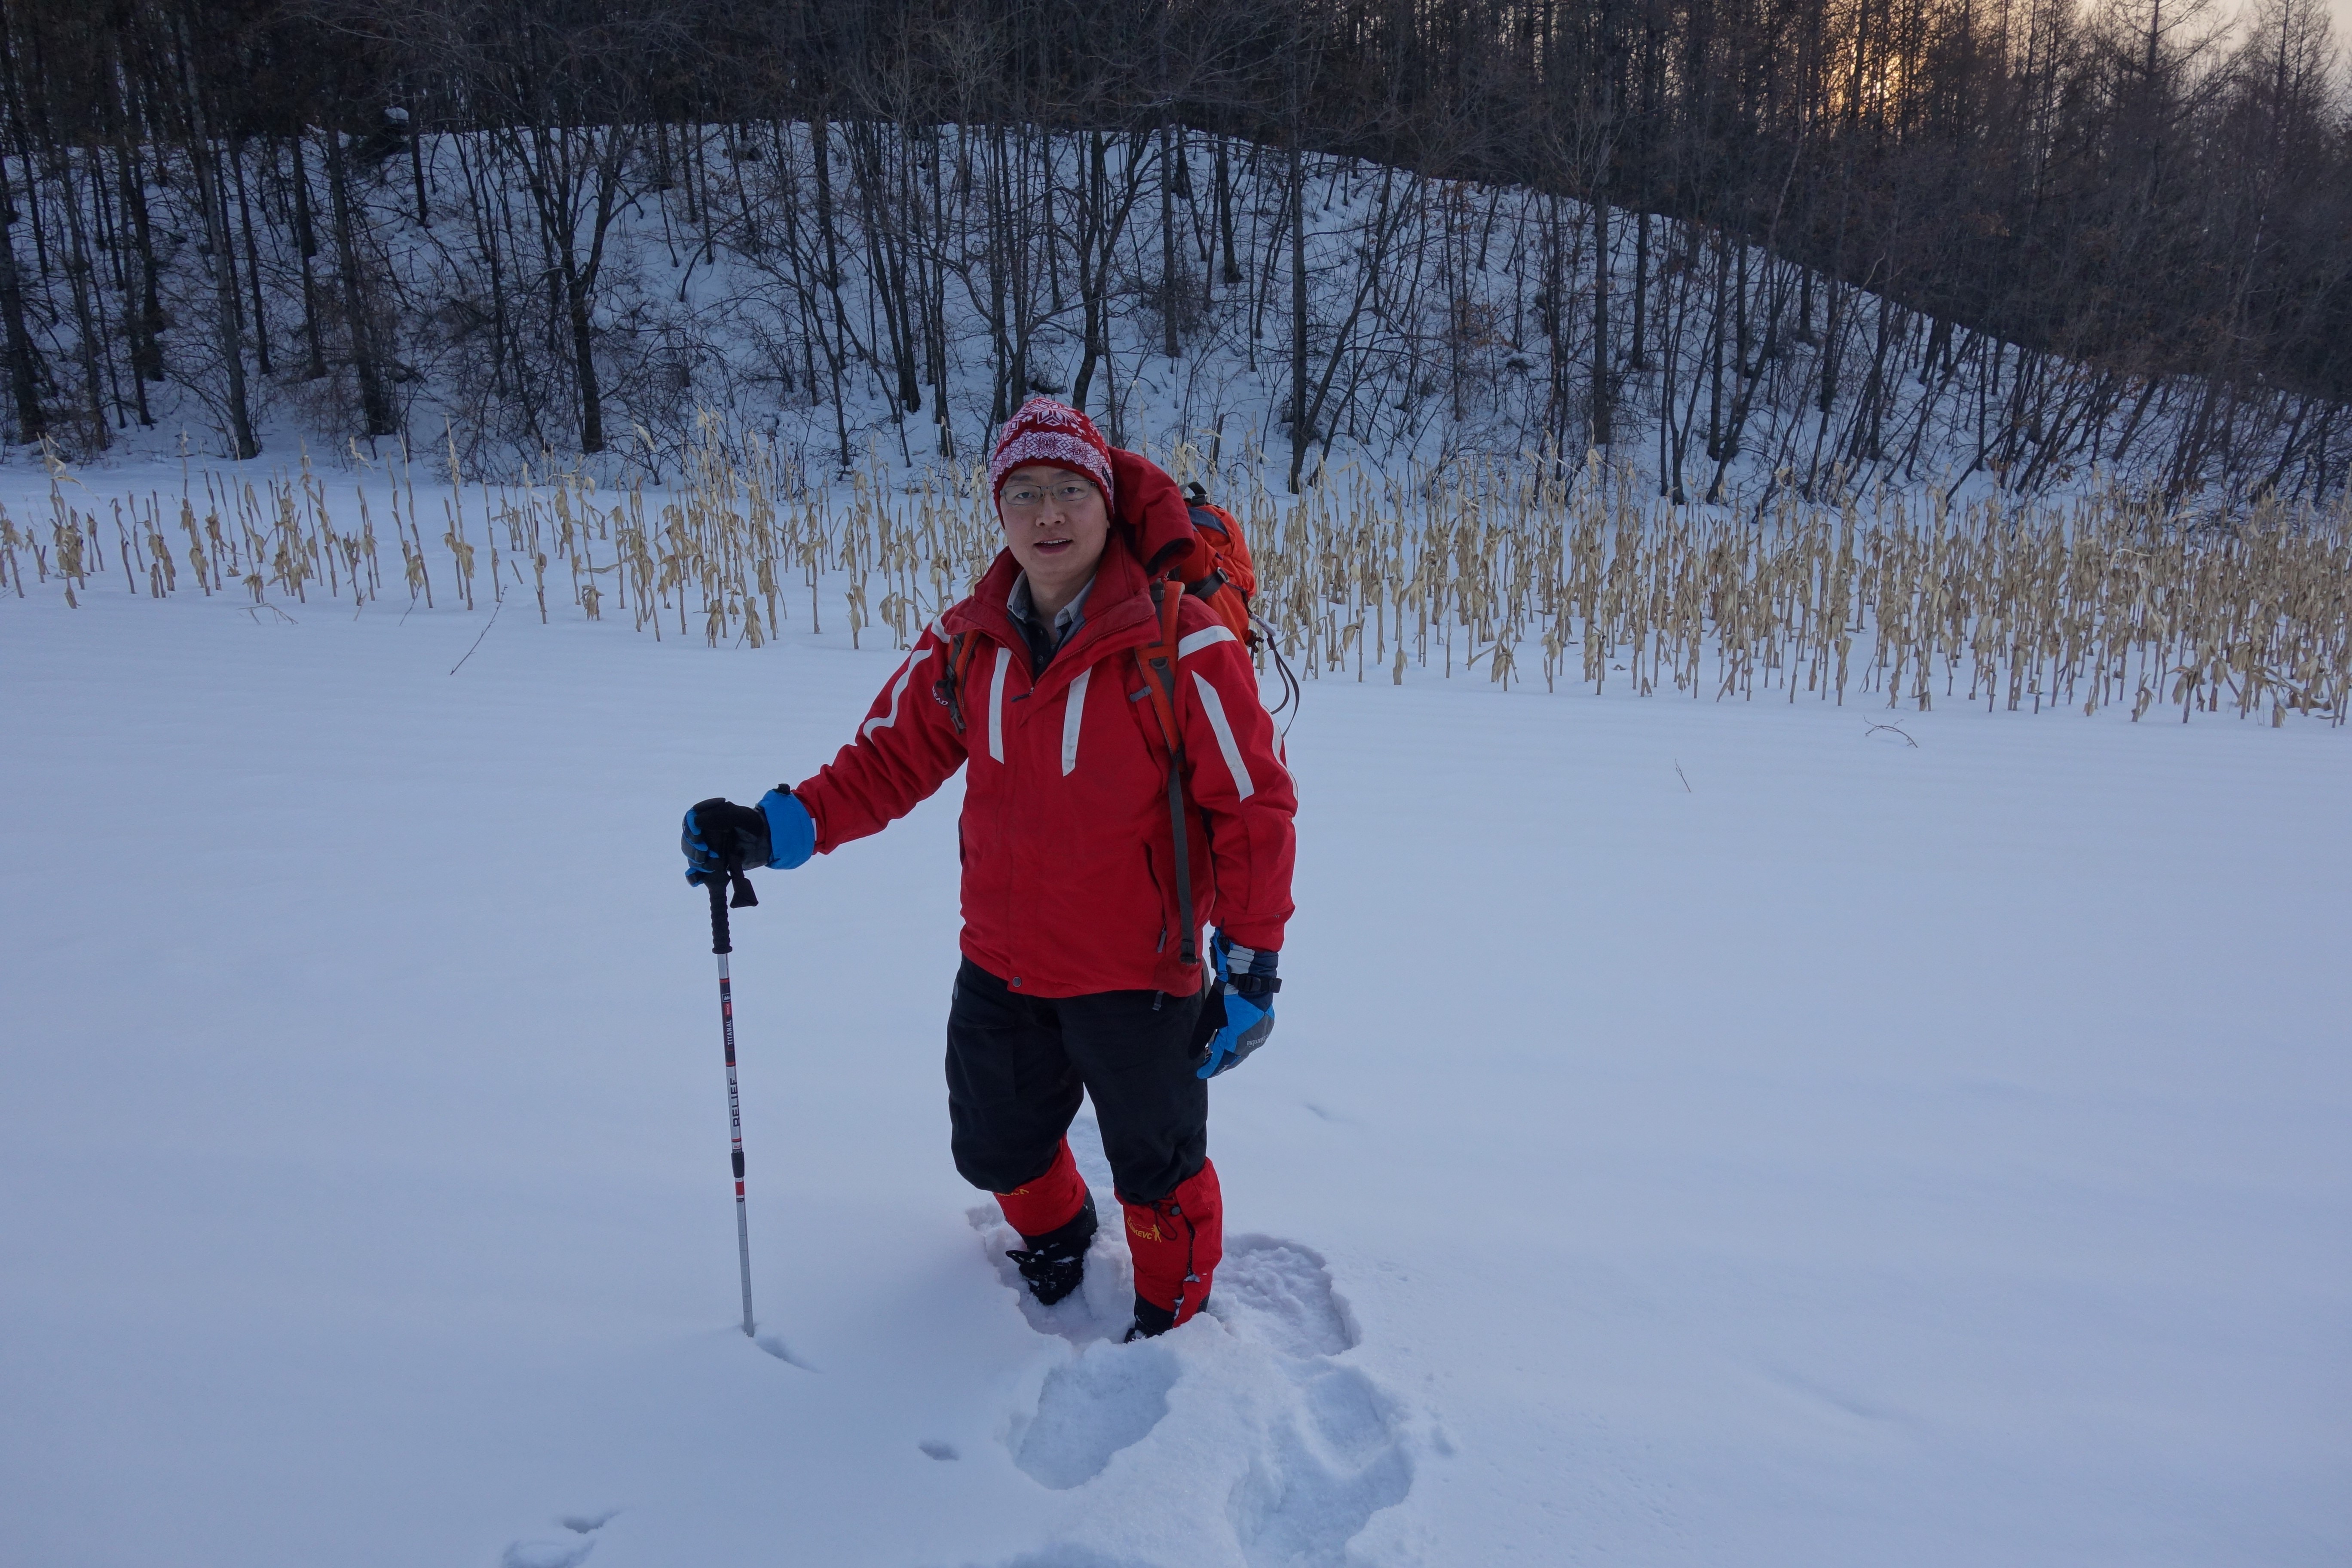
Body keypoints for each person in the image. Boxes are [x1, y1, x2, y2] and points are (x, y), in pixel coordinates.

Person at [680, 398, 1296, 1339]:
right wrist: (773, 830)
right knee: (996, 1143)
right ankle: (1057, 1234)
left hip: (1141, 970)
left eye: (1069, 492)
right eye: (1025, 494)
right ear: (1000, 511)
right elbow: (885, 761)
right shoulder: (972, 641)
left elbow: (1252, 806)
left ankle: (1172, 1317)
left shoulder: (1185, 647)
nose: (1049, 515)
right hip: (1004, 961)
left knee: (1158, 1167)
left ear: (1105, 501)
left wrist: (1250, 963)